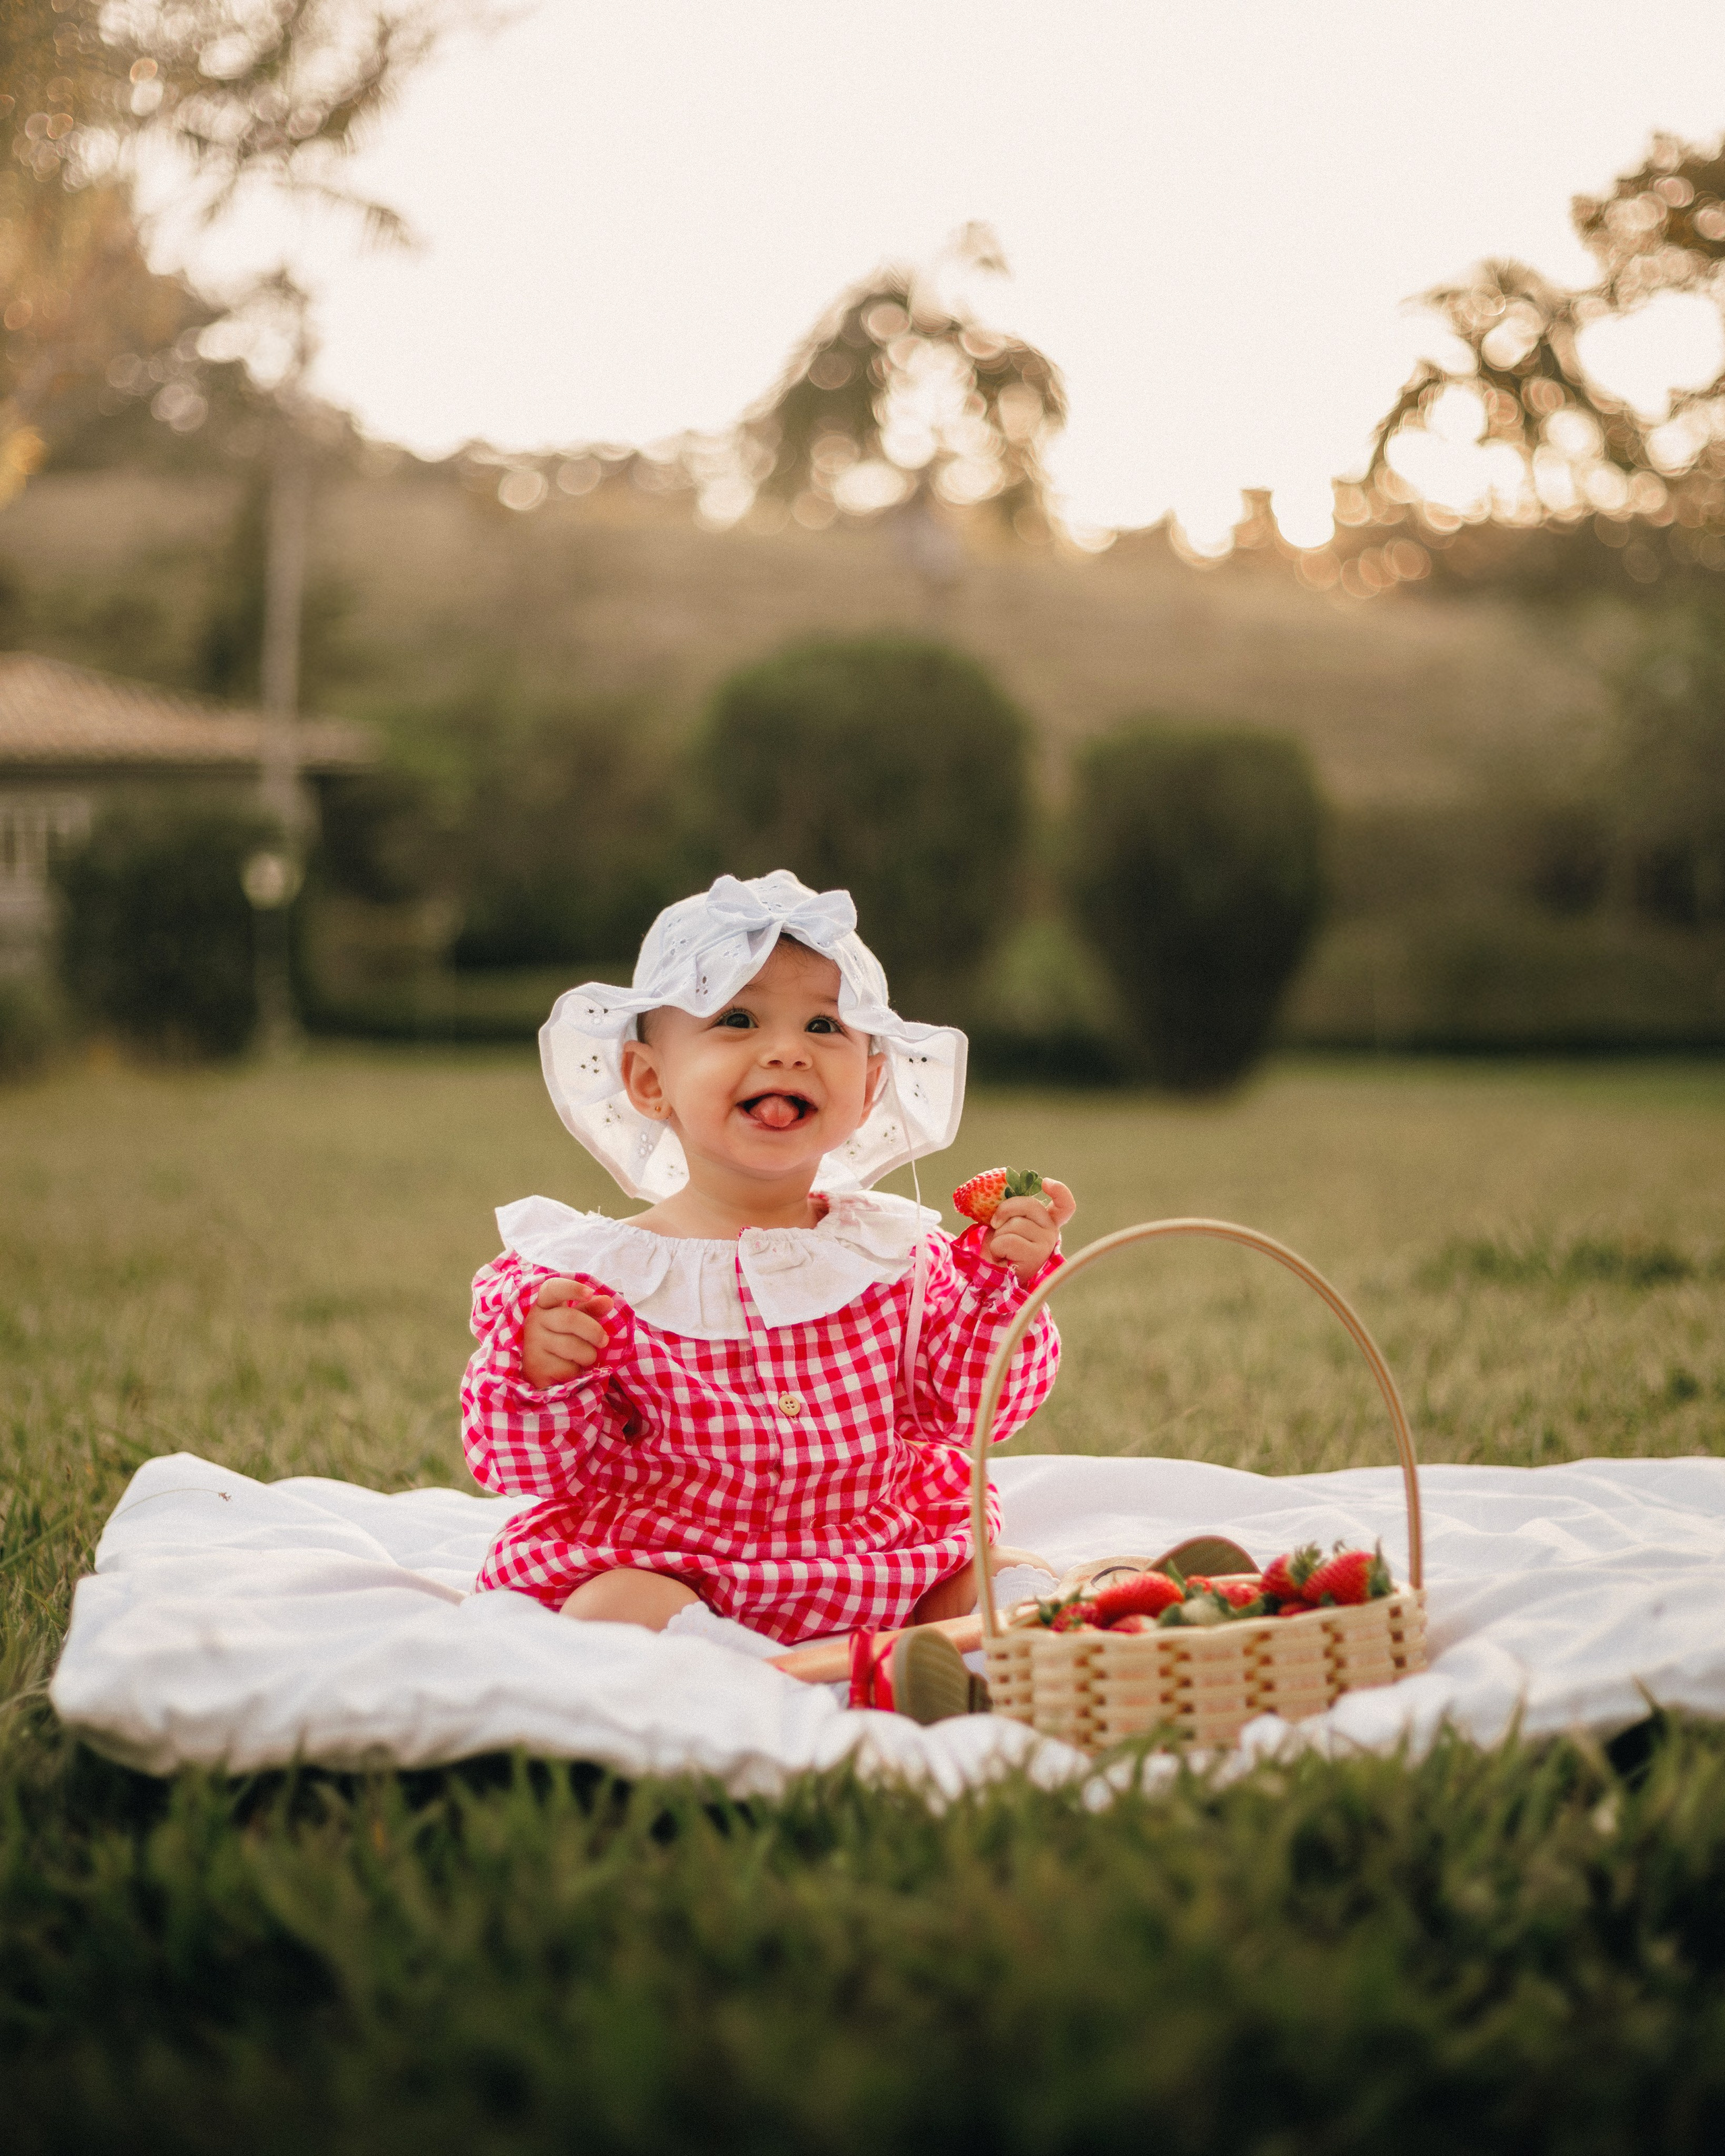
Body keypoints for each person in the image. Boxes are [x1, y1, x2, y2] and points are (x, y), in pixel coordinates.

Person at [462, 870, 1073, 1701]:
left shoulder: (894, 1255)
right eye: (737, 1019)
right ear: (648, 1081)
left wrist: (1005, 1285)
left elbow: (970, 1410)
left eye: (825, 1025)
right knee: (611, 1608)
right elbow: (529, 1464)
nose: (787, 1050)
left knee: (1001, 1572)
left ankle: (1007, 1657)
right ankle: (771, 1677)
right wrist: (541, 1371)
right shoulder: (593, 1278)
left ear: (869, 1086)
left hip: (879, 1558)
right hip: (678, 1565)